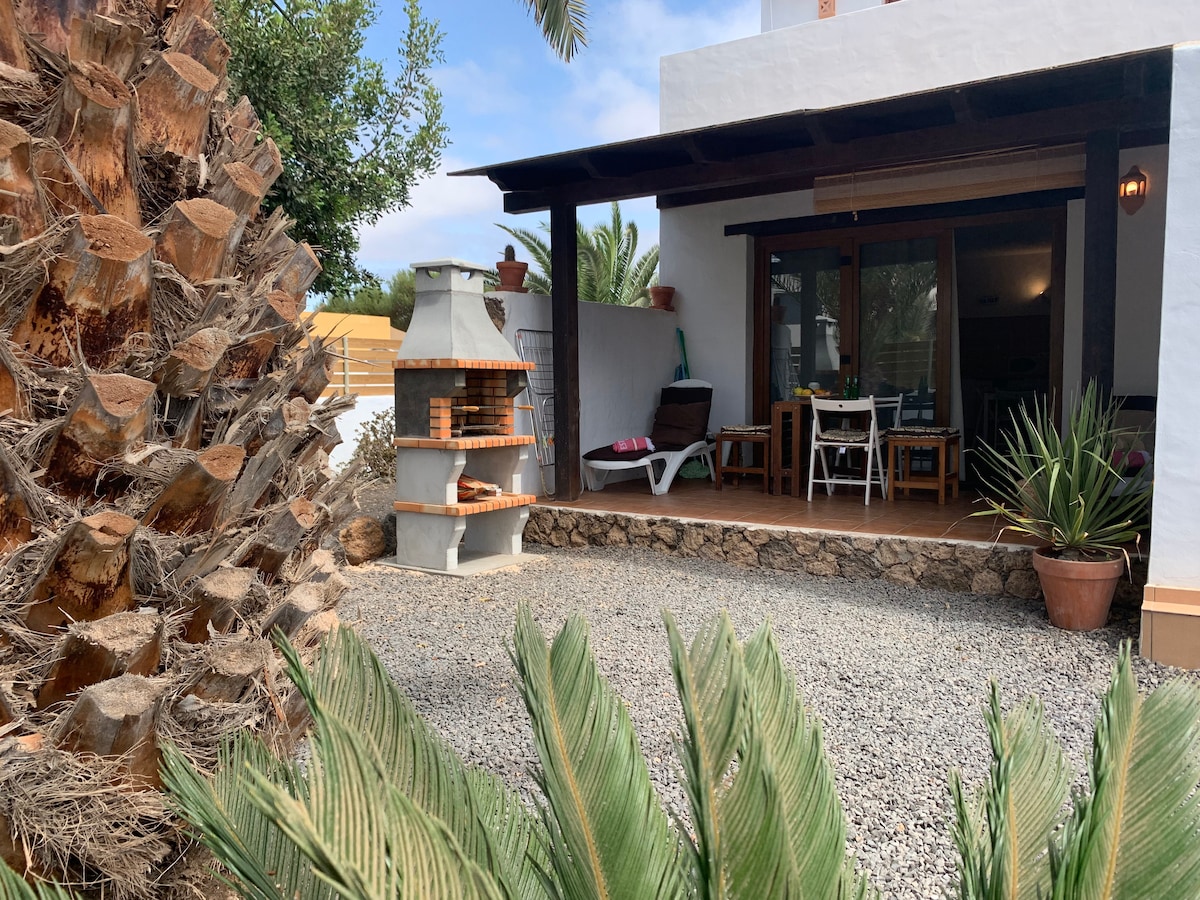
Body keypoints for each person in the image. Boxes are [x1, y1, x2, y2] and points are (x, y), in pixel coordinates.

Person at [770, 301, 797, 401]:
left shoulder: (785, 330)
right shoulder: (771, 327)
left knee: (783, 386)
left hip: (783, 362)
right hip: (774, 363)